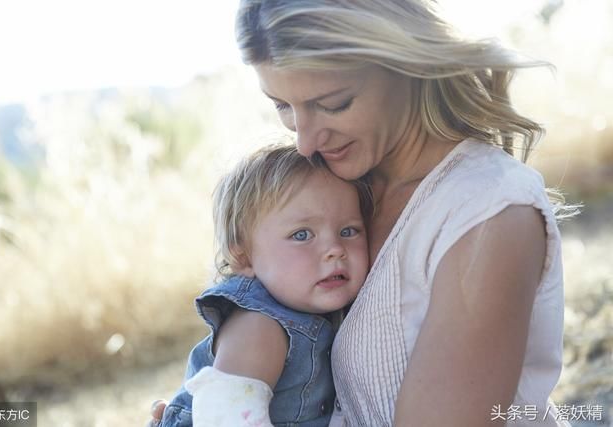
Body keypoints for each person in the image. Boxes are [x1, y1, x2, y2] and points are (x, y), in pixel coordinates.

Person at [151, 0, 576, 425]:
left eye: (333, 103)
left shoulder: (487, 213)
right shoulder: (333, 191)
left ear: (401, 62)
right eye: (282, 105)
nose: (305, 140)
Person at [158, 143, 372, 426]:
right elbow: (225, 419)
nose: (335, 248)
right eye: (302, 235)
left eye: (348, 231)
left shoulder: (319, 314)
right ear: (244, 258)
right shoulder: (259, 326)